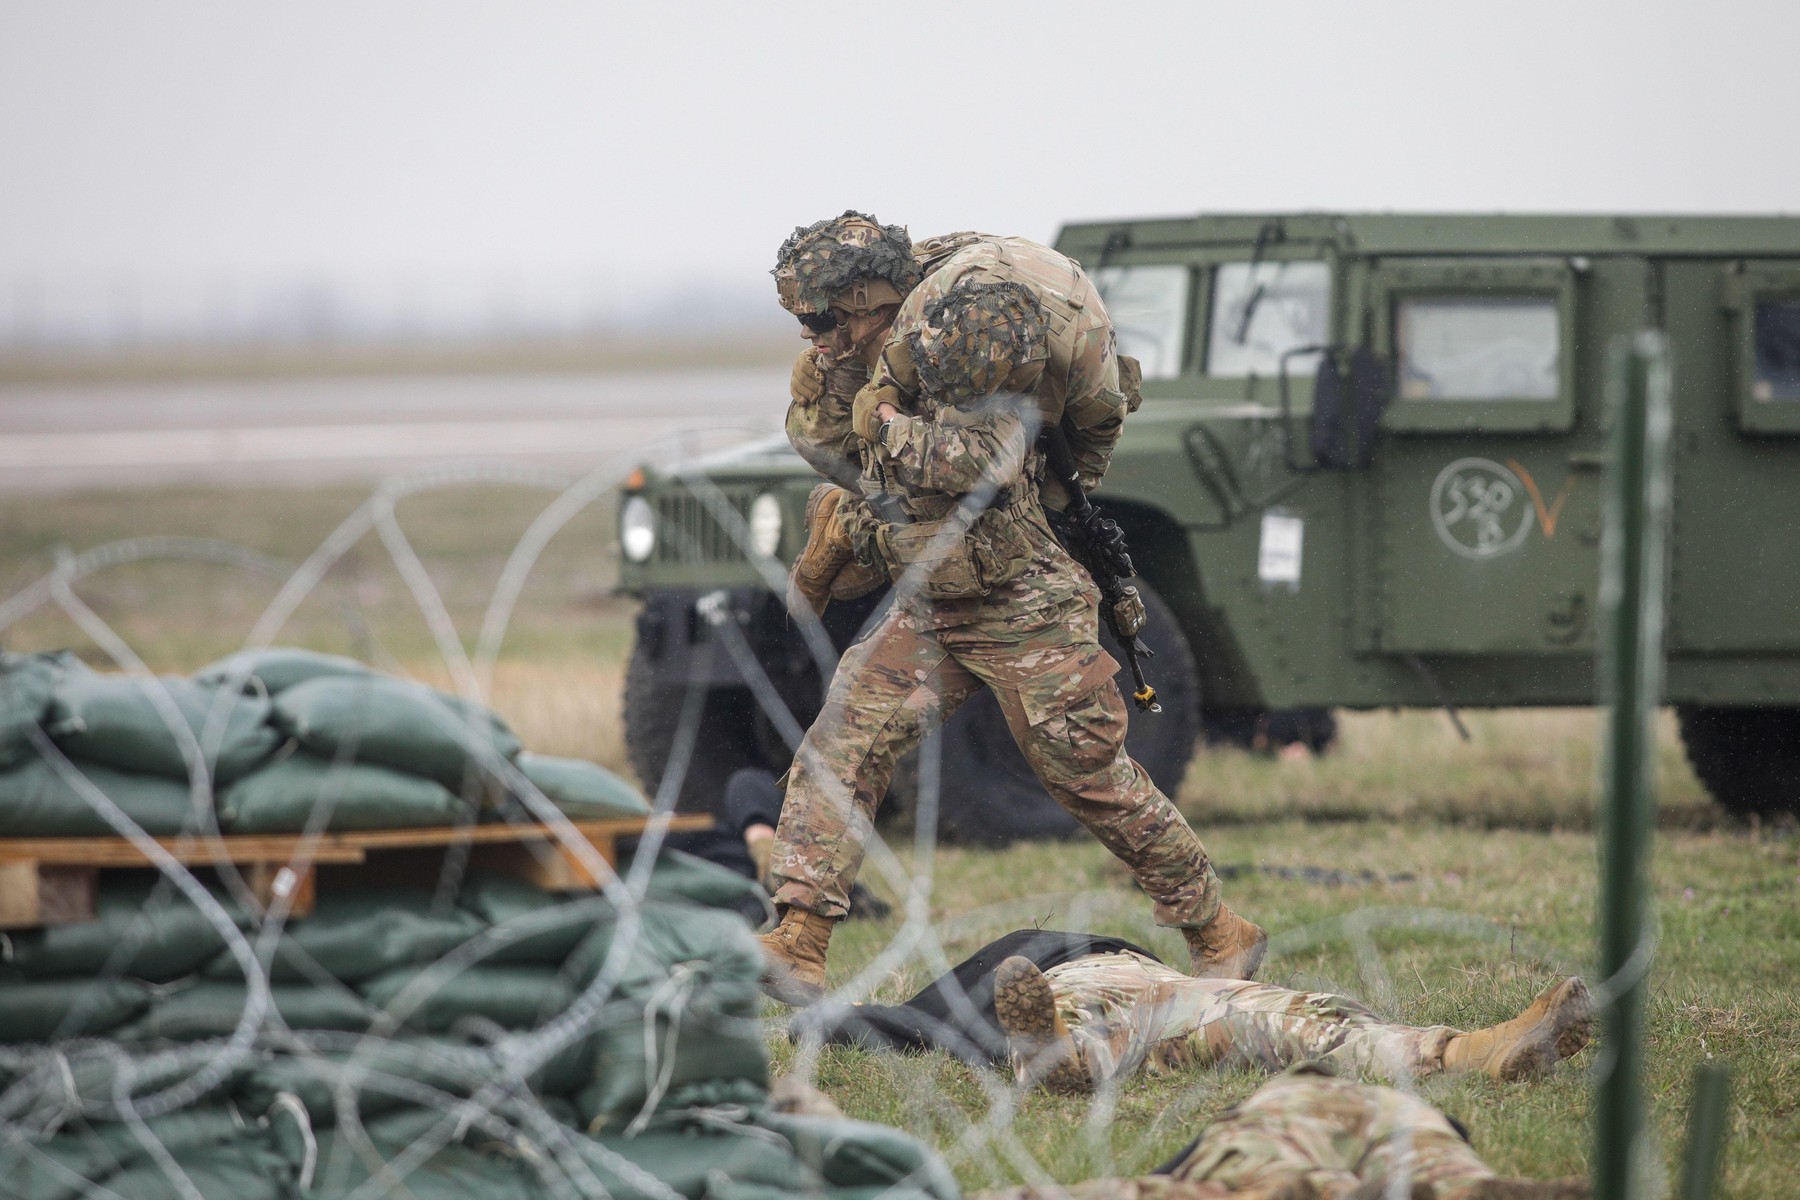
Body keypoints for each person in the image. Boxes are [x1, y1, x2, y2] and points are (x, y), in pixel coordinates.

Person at [758, 212, 1263, 1004]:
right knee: (842, 743)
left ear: (864, 296)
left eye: (821, 321)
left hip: (1022, 595)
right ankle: (799, 938)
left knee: (1089, 776)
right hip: (934, 596)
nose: (814, 339)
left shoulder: (966, 321)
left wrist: (884, 426)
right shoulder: (873, 343)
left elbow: (980, 462)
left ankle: (1217, 931)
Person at [789, 930, 1591, 1092]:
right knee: (1275, 1017)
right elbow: (873, 1025)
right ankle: (1463, 1053)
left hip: (1136, 989)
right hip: (1094, 985)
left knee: (1268, 1020)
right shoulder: (952, 996)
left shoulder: (962, 988)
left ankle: (1475, 1052)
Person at [973, 1063, 1589, 1200]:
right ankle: (1465, 1186)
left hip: (1275, 1126)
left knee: (1269, 1181)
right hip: (1402, 1111)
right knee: (1449, 1175)